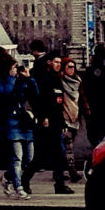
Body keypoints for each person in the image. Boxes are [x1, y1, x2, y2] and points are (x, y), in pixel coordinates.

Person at [0, 59, 38, 200]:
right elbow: (5, 93)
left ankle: (8, 177)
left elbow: (35, 94)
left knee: (29, 159)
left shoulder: (21, 81)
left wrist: (29, 78)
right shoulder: (0, 81)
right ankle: (19, 188)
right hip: (11, 123)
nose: (15, 71)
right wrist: (11, 78)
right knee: (17, 158)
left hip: (25, 123)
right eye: (12, 68)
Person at [34, 51, 73, 194]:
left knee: (59, 154)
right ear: (49, 62)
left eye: (59, 62)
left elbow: (59, 104)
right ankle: (20, 179)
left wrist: (62, 123)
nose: (58, 65)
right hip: (47, 122)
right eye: (56, 62)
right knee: (40, 157)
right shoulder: (44, 79)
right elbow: (41, 101)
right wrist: (44, 117)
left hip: (56, 122)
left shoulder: (57, 79)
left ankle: (60, 183)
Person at [59, 57, 86, 183]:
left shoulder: (78, 81)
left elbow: (81, 98)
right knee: (68, 146)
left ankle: (58, 171)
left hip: (75, 116)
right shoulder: (60, 81)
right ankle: (72, 172)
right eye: (69, 67)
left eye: (73, 67)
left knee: (67, 146)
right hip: (65, 117)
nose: (71, 69)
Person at [81, 43, 105, 147]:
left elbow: (85, 87)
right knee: (102, 129)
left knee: (93, 129)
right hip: (103, 104)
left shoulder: (90, 70)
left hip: (93, 103)